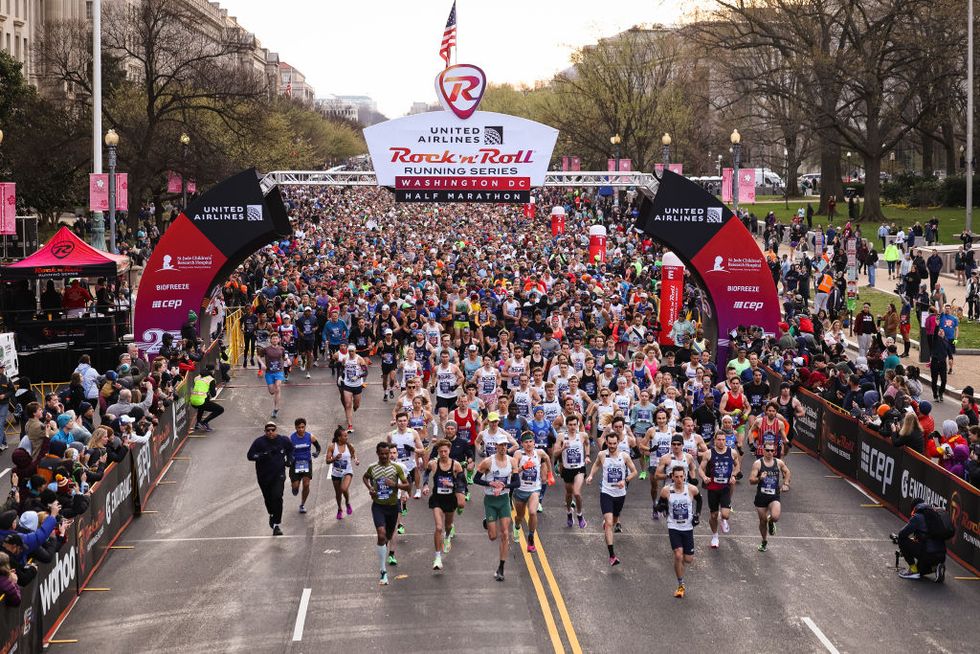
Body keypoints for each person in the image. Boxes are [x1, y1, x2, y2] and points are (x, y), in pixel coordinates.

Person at [586, 430, 637, 566]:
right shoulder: (602, 455)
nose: (612, 446)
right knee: (609, 523)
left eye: (615, 443)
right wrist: (591, 475)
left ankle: (609, 523)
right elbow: (596, 464)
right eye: (610, 443)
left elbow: (634, 471)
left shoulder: (624, 456)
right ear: (606, 443)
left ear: (618, 443)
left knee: (613, 520)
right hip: (606, 492)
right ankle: (612, 556)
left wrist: (625, 481)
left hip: (620, 494)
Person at [363, 441, 410, 586]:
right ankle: (383, 570)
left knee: (389, 536)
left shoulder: (396, 468)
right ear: (377, 453)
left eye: (386, 454)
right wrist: (370, 487)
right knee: (381, 534)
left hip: (392, 506)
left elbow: (407, 485)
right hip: (378, 506)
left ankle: (387, 550)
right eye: (381, 454)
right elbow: (365, 477)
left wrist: (394, 485)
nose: (384, 456)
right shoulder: (372, 468)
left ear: (389, 454)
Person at [472, 438, 519, 581]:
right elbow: (475, 479)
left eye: (505, 445)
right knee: (493, 536)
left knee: (505, 534)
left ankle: (501, 568)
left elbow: (517, 482)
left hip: (504, 500)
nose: (503, 447)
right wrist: (490, 483)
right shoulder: (487, 462)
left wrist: (504, 487)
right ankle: (487, 519)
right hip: (490, 501)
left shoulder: (512, 462)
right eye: (500, 445)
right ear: (496, 446)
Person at [421, 438, 467, 571]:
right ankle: (437, 558)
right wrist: (425, 485)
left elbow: (462, 483)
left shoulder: (456, 465)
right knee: (438, 527)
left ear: (449, 451)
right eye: (440, 451)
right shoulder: (433, 464)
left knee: (447, 526)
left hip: (450, 500)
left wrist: (452, 484)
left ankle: (447, 537)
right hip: (437, 499)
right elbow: (426, 473)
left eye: (445, 451)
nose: (443, 454)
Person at [657, 466, 702, 598]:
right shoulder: (666, 490)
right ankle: (680, 584)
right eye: (676, 477)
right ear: (672, 477)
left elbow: (699, 500)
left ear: (685, 476)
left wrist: (697, 515)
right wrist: (659, 507)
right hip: (673, 526)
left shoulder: (691, 489)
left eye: (681, 476)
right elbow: (661, 505)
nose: (679, 479)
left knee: (688, 559)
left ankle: (680, 565)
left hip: (687, 527)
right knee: (678, 555)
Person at [246, 421, 294, 536]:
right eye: (268, 430)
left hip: (279, 475)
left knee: (277, 497)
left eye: (273, 430)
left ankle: (277, 524)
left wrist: (290, 460)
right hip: (264, 476)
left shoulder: (283, 440)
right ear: (265, 432)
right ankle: (272, 514)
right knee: (268, 499)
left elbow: (291, 449)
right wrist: (263, 455)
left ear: (276, 430)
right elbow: (250, 456)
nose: (270, 432)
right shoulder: (259, 442)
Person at [511, 431, 552, 552]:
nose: (529, 444)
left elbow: (547, 458)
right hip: (520, 489)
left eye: (530, 442)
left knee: (533, 512)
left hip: (534, 489)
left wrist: (550, 474)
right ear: (522, 444)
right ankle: (517, 526)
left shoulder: (539, 453)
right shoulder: (518, 454)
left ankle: (531, 537)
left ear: (534, 443)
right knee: (520, 516)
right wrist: (523, 467)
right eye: (526, 442)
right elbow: (513, 472)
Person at [749, 442, 792, 552]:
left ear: (775, 451)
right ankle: (764, 541)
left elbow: (787, 472)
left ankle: (771, 521)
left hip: (774, 495)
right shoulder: (758, 464)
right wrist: (759, 479)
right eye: (767, 450)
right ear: (763, 451)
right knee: (762, 521)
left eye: (772, 451)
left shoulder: (779, 463)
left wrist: (786, 483)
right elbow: (751, 480)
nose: (770, 453)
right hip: (761, 496)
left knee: (776, 517)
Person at [700, 432, 739, 549]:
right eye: (719, 440)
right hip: (712, 487)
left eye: (723, 440)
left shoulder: (732, 452)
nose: (721, 442)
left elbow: (737, 466)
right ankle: (715, 536)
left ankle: (723, 519)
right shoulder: (708, 453)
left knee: (726, 515)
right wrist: (704, 477)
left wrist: (733, 475)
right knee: (713, 515)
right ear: (715, 440)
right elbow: (700, 469)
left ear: (726, 440)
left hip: (725, 487)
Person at [896, 499, 949, 581]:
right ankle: (936, 567)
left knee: (901, 540)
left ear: (914, 507)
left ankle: (913, 571)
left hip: (928, 554)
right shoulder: (936, 514)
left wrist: (909, 543)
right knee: (920, 571)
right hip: (941, 556)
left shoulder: (918, 516)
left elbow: (902, 534)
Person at [554, 414, 589, 529]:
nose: (572, 427)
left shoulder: (583, 435)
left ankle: (579, 514)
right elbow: (555, 453)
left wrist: (587, 455)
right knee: (569, 494)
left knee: (577, 492)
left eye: (575, 424)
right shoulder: (561, 436)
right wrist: (563, 448)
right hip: (567, 469)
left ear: (578, 425)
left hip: (579, 468)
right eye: (570, 425)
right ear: (566, 425)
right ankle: (569, 512)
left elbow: (587, 444)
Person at [334, 341, 369, 433]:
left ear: (355, 351)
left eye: (352, 351)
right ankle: (350, 425)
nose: (351, 353)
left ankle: (355, 408)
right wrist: (341, 376)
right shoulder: (345, 359)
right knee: (348, 404)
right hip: (347, 385)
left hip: (357, 385)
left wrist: (357, 376)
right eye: (349, 351)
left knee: (356, 405)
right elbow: (342, 368)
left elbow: (366, 372)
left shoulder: (360, 360)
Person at [289, 418, 321, 514]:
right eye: (299, 427)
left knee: (306, 484)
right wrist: (288, 459)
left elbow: (318, 447)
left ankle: (302, 505)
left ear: (305, 427)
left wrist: (317, 453)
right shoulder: (291, 438)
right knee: (295, 487)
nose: (301, 429)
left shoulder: (310, 436)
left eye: (303, 427)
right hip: (295, 464)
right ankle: (294, 488)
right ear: (295, 428)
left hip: (307, 463)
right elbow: (287, 450)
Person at [326, 425, 358, 520]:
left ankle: (347, 503)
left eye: (346, 436)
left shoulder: (349, 445)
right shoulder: (332, 447)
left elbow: (354, 454)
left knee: (344, 488)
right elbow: (327, 461)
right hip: (336, 473)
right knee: (338, 493)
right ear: (339, 437)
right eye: (344, 436)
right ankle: (340, 509)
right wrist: (334, 459)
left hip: (347, 471)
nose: (346, 437)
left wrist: (356, 460)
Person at [190, 365, 224, 432]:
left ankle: (197, 423)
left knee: (202, 405)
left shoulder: (197, 377)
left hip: (193, 400)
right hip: (200, 400)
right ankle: (203, 422)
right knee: (220, 409)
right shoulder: (211, 379)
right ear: (212, 371)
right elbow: (213, 394)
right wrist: (215, 389)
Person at [263, 332, 286, 419]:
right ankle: (275, 392)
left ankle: (276, 408)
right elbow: (258, 356)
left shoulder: (281, 349)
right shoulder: (266, 349)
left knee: (277, 387)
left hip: (279, 372)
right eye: (273, 339)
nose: (275, 340)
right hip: (269, 373)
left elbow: (284, 357)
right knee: (272, 391)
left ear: (279, 340)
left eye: (276, 338)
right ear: (271, 340)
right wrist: (262, 364)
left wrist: (287, 360)